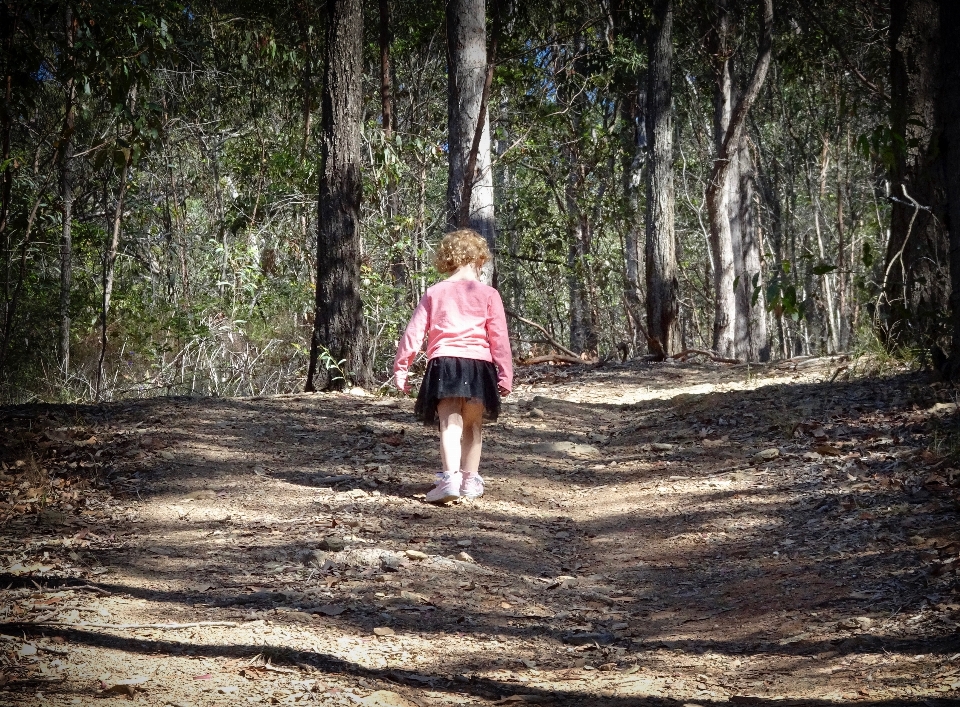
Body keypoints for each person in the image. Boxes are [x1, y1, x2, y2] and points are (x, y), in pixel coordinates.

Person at [393, 228, 513, 503]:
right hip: (479, 365)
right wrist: (505, 373)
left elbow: (414, 333)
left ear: (447, 259)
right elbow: (499, 339)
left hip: (445, 363)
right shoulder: (488, 294)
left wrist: (402, 368)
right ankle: (470, 480)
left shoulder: (435, 292)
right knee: (473, 425)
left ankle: (449, 480)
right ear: (480, 259)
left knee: (450, 423)